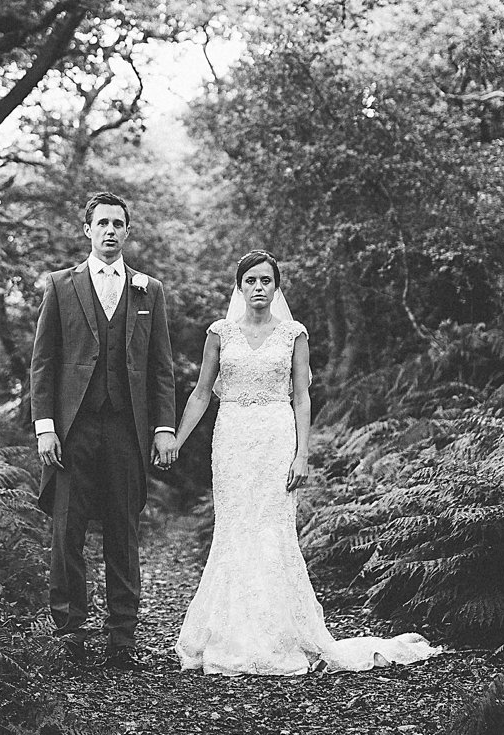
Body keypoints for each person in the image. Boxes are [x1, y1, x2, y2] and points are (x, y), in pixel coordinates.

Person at [165, 251, 440, 675]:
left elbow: (302, 396)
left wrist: (302, 454)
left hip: (276, 438)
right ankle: (227, 632)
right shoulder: (220, 333)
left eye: (266, 281)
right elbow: (202, 393)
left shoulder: (293, 333)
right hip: (233, 438)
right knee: (235, 528)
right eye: (251, 280)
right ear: (239, 287)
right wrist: (177, 440)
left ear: (277, 288)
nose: (259, 287)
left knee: (273, 531)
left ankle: (279, 633)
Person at [31, 192, 178, 670]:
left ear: (128, 231)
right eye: (102, 223)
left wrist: (163, 428)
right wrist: (45, 428)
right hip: (72, 431)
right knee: (66, 531)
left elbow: (161, 367)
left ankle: (121, 638)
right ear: (88, 230)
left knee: (123, 531)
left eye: (118, 223)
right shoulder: (60, 285)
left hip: (127, 430)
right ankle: (69, 633)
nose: (110, 231)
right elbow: (44, 363)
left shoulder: (148, 290)